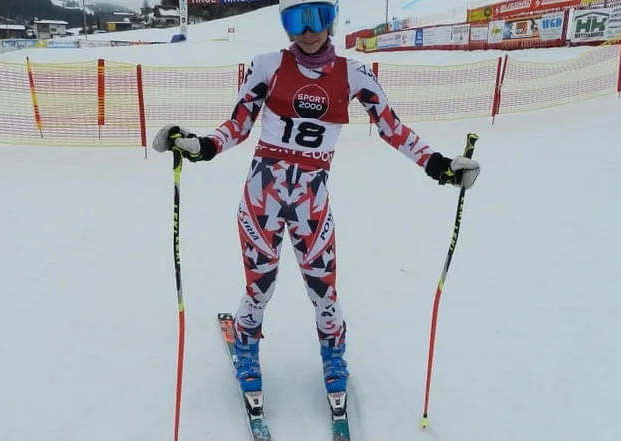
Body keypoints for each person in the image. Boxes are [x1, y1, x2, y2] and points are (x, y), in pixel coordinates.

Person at [152, 0, 480, 397]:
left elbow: (393, 128)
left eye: (317, 17)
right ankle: (246, 346)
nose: (308, 31)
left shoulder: (354, 73)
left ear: (332, 20)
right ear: (285, 26)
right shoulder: (267, 65)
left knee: (323, 291)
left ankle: (333, 355)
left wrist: (440, 165)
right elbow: (237, 126)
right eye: (296, 20)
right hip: (262, 199)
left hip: (312, 202)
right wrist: (200, 146)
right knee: (260, 286)